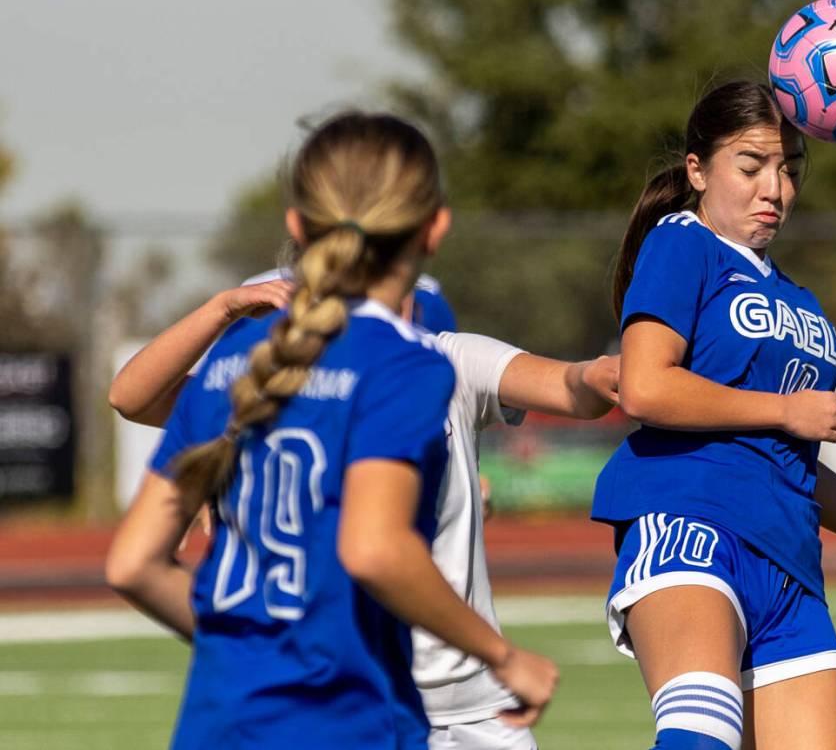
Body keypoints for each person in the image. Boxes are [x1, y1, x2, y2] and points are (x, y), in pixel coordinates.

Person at [105, 110, 558, 749]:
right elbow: (375, 548)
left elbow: (132, 564)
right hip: (349, 722)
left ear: (297, 225)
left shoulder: (233, 366)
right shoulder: (405, 363)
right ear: (436, 227)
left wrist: (252, 648)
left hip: (219, 724)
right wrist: (502, 657)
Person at [592, 80, 836, 750]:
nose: (773, 188)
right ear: (697, 169)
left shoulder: (800, 301)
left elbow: (791, 461)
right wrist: (784, 408)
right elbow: (643, 387)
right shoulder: (681, 241)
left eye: (790, 169)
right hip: (691, 524)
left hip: (788, 565)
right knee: (700, 736)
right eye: (750, 166)